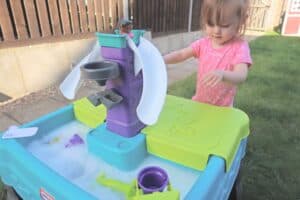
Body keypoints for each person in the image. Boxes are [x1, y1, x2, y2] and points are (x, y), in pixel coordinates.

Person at [164, 0, 252, 107]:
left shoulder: (239, 47)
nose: (216, 31)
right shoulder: (203, 43)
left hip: (223, 109)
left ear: (240, 22)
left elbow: (241, 75)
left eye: (224, 25)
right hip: (199, 103)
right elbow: (181, 54)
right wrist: (162, 59)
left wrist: (222, 74)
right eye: (211, 23)